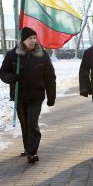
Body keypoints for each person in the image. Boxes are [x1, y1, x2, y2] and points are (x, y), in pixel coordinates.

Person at [0, 27, 56, 163]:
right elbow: (3, 73)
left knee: (32, 122)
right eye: (30, 38)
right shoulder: (13, 54)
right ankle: (27, 148)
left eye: (34, 38)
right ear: (23, 40)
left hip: (36, 96)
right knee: (24, 124)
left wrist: (51, 96)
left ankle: (32, 152)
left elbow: (50, 77)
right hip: (19, 96)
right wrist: (12, 78)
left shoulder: (42, 55)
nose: (33, 40)